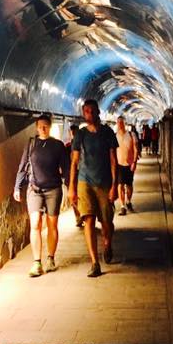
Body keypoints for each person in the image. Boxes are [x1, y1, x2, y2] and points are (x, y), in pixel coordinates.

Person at [14, 113, 70, 277]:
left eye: (45, 126)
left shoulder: (57, 145)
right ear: (37, 128)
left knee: (52, 224)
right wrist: (17, 187)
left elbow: (65, 168)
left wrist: (70, 187)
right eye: (40, 126)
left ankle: (50, 259)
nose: (43, 129)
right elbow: (23, 166)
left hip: (53, 189)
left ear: (50, 127)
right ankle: (36, 262)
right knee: (35, 223)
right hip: (34, 189)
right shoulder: (31, 144)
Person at [69, 99, 118, 277]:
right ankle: (94, 263)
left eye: (91, 111)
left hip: (104, 182)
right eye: (86, 111)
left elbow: (113, 160)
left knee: (106, 222)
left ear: (98, 112)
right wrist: (72, 188)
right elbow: (74, 162)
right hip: (85, 182)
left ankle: (107, 243)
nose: (89, 114)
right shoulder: (80, 135)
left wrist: (115, 186)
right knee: (88, 219)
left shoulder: (107, 133)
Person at [115, 116, 137, 216]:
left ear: (125, 123)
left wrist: (134, 162)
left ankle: (128, 201)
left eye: (122, 122)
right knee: (120, 185)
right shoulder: (115, 136)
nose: (120, 124)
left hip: (129, 163)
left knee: (129, 185)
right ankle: (122, 206)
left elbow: (135, 149)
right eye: (118, 122)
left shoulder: (131, 135)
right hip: (119, 164)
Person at [65, 123, 84, 228]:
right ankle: (78, 216)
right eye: (72, 133)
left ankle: (83, 214)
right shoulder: (67, 146)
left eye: (75, 132)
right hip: (71, 175)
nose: (73, 134)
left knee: (82, 196)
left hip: (82, 174)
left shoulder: (83, 145)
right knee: (73, 198)